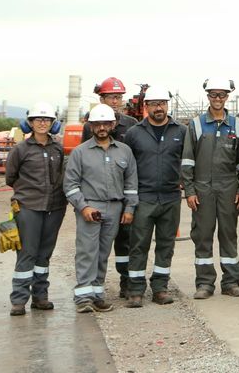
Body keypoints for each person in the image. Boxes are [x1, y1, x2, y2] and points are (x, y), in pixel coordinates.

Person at [181, 78, 239, 299]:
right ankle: (204, 283)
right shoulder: (196, 125)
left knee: (228, 235)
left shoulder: (238, 126)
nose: (218, 99)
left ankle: (231, 282)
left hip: (229, 189)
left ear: (227, 97)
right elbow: (187, 161)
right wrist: (190, 192)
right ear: (208, 96)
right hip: (202, 190)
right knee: (202, 236)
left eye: (222, 95)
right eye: (213, 95)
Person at [64, 104, 138, 313]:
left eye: (106, 123)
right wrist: (83, 207)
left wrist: (129, 209)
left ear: (114, 125)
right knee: (87, 252)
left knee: (103, 253)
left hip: (115, 208)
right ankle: (83, 297)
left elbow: (131, 185)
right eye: (98, 124)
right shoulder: (80, 153)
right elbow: (70, 185)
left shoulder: (124, 152)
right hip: (90, 207)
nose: (102, 127)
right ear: (91, 126)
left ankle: (97, 294)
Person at [123, 86, 185, 307]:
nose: (159, 108)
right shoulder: (134, 133)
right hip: (144, 197)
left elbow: (187, 162)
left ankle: (160, 288)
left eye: (163, 103)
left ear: (167, 105)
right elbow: (127, 167)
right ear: (146, 106)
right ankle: (136, 290)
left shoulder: (180, 131)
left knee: (166, 244)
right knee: (139, 244)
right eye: (154, 104)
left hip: (171, 197)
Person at [5, 103, 67, 315]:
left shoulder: (58, 148)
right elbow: (10, 178)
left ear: (53, 124)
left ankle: (40, 297)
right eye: (38, 120)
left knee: (44, 254)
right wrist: (28, 194)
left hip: (55, 207)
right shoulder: (20, 149)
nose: (42, 123)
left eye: (47, 120)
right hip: (28, 207)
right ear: (29, 123)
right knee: (27, 253)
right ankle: (19, 300)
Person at [82, 77, 139, 297]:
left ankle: (126, 282)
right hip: (99, 196)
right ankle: (95, 287)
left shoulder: (131, 125)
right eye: (111, 97)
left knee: (126, 242)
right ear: (101, 98)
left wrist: (131, 201)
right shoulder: (91, 125)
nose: (115, 101)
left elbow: (134, 164)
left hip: (124, 194)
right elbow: (86, 158)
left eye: (118, 97)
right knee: (98, 245)